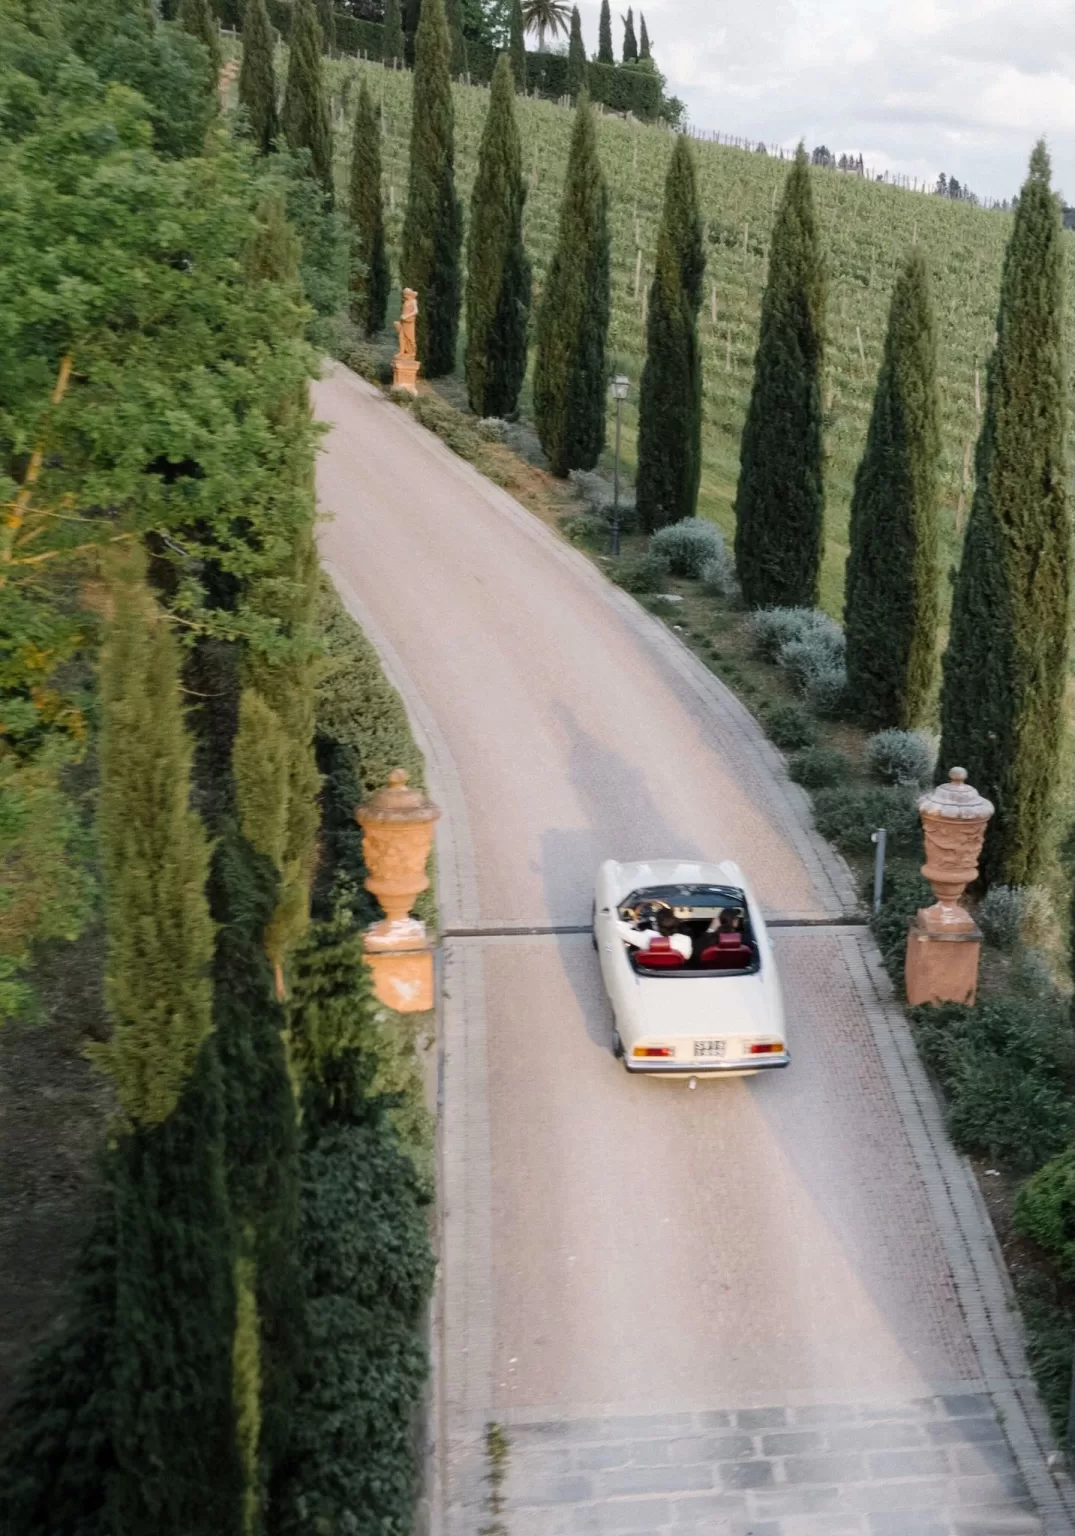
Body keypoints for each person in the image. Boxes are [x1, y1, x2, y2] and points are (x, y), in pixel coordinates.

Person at [616, 906, 692, 960]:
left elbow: (619, 929)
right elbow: (687, 957)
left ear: (656, 925)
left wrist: (634, 922)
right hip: (676, 970)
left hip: (648, 970)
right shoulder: (685, 940)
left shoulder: (647, 938)